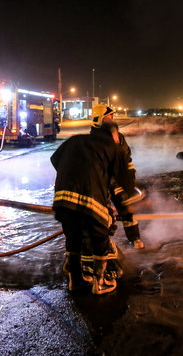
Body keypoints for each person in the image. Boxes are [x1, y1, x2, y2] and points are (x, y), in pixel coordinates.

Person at [51, 111, 142, 295]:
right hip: (90, 203)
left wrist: (72, 176)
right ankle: (100, 283)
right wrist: (134, 234)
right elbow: (124, 192)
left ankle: (75, 281)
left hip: (62, 200)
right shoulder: (114, 149)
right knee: (100, 236)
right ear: (114, 135)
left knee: (73, 239)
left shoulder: (76, 140)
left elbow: (55, 159)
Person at [91, 104, 145, 249]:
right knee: (100, 215)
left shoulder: (118, 138)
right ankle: (103, 247)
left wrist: (130, 180)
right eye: (109, 116)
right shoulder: (92, 140)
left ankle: (135, 239)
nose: (112, 119)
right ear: (100, 119)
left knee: (127, 210)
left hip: (117, 182)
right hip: (101, 184)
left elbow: (126, 159)